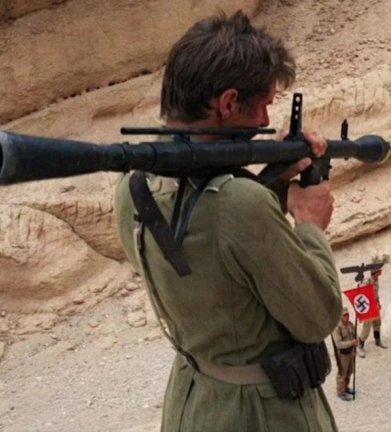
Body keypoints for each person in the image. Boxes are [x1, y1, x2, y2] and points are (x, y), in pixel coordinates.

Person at [113, 12, 342, 431]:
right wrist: (310, 223)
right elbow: (318, 317)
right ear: (229, 103)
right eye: (264, 106)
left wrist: (273, 180)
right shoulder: (239, 205)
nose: (265, 122)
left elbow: (211, 256)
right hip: (260, 414)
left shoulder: (134, 185)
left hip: (194, 401)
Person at [357, 266, 387, 358]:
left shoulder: (376, 280)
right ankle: (360, 344)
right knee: (367, 326)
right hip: (368, 306)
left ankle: (377, 340)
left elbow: (376, 294)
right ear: (375, 272)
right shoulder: (368, 281)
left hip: (375, 304)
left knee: (377, 323)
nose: (381, 272)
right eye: (379, 270)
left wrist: (378, 302)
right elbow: (361, 293)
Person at [331, 308, 357, 401]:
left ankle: (345, 387)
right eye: (344, 315)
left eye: (347, 314)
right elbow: (339, 344)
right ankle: (340, 391)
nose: (347, 317)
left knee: (350, 371)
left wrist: (355, 348)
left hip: (350, 351)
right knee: (342, 373)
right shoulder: (337, 328)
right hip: (342, 354)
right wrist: (351, 343)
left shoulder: (350, 325)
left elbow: (354, 336)